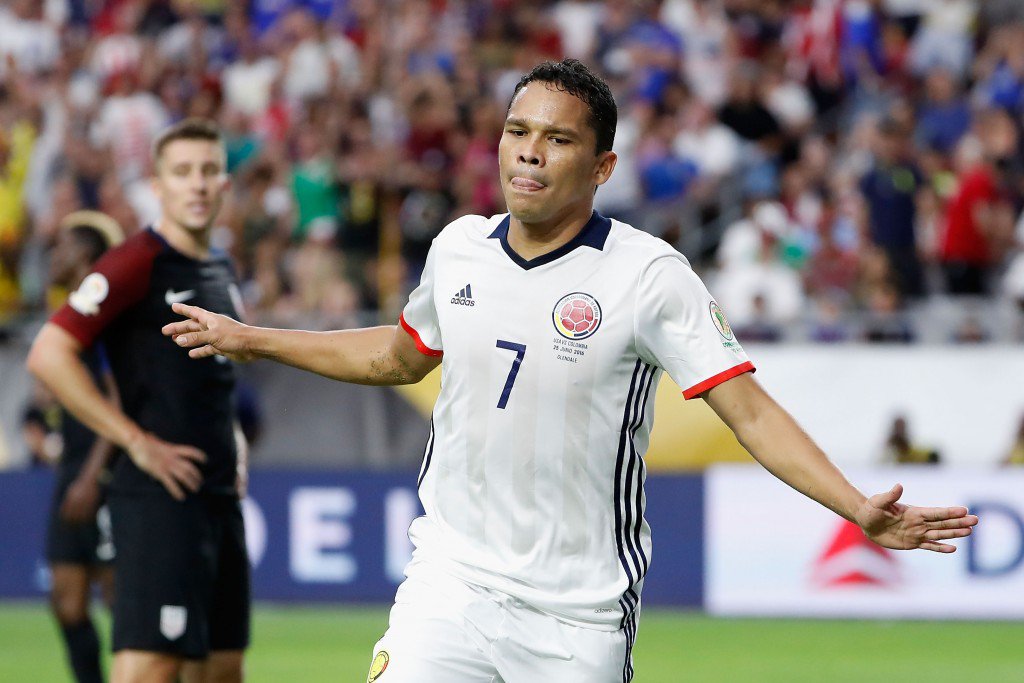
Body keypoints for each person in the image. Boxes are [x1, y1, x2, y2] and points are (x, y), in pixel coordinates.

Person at [163, 61, 978, 682]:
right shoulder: (457, 250)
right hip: (451, 585)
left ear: (602, 167)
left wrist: (854, 507)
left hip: (577, 616)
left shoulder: (649, 275)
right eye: (519, 131)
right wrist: (256, 337)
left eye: (557, 139)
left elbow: (750, 412)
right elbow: (400, 353)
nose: (529, 153)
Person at [27, 118, 250, 683]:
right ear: (158, 185)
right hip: (159, 501)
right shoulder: (134, 262)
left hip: (219, 498)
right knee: (150, 667)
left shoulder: (220, 269)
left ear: (224, 184)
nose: (197, 185)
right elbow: (49, 353)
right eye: (182, 173)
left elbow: (214, 380)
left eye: (207, 171)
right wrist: (137, 443)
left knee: (221, 669)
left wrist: (237, 442)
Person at [44, 210, 124, 683]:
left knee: (121, 602)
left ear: (87, 259)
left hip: (105, 472)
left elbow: (117, 401)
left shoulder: (105, 320)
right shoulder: (71, 317)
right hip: (72, 468)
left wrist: (93, 477)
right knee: (66, 600)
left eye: (63, 247)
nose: (53, 257)